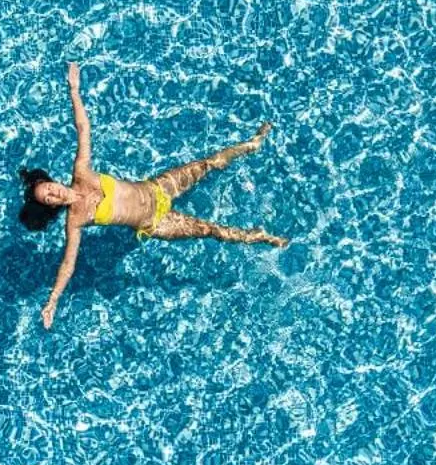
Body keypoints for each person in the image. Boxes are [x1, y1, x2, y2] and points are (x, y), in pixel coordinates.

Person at [20, 63, 288, 328]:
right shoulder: (75, 220)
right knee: (212, 230)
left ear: (52, 181)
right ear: (51, 206)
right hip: (157, 222)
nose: (54, 193)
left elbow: (83, 128)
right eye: (48, 199)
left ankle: (252, 144)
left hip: (158, 187)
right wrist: (53, 300)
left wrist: (74, 90)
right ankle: (261, 237)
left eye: (49, 188)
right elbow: (68, 263)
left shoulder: (82, 173)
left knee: (208, 163)